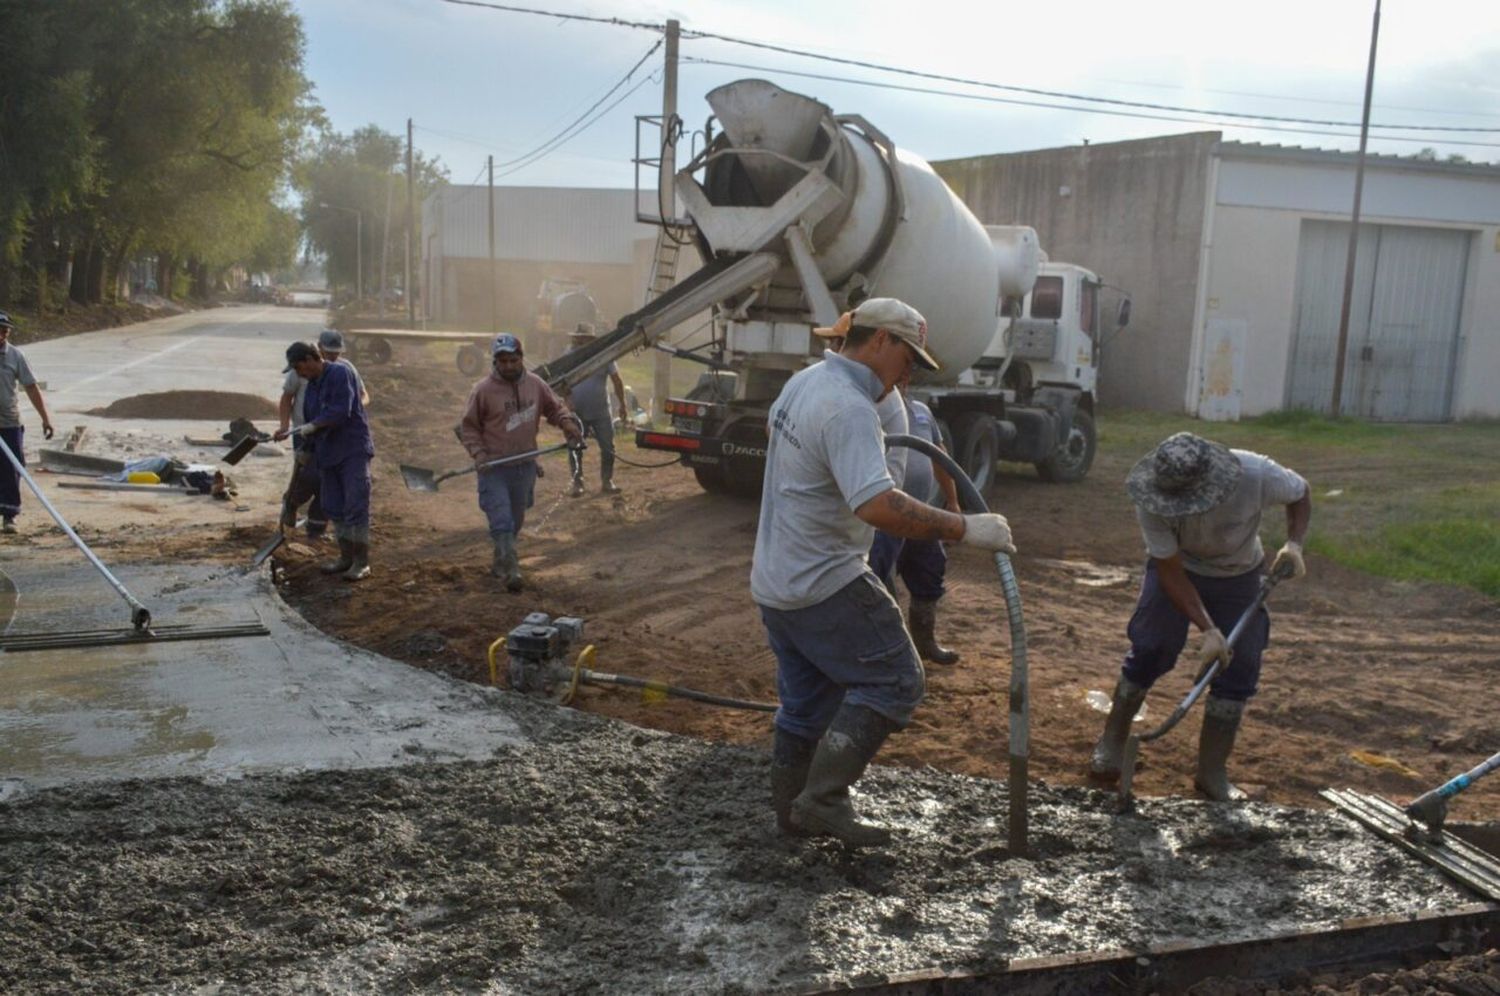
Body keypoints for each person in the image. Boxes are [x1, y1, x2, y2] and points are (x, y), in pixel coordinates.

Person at [752, 298, 1016, 846]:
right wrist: (965, 528)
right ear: (880, 343)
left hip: (777, 582)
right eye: (909, 357)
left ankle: (792, 817)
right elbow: (875, 504)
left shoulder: (805, 383)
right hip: (824, 578)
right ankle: (823, 801)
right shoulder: (849, 407)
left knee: (806, 705)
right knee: (896, 679)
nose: (910, 373)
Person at [1088, 431, 1310, 801]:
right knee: (1152, 646)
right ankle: (1112, 740)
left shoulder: (1256, 474)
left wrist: (1294, 544)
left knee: (1241, 664)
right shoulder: (1151, 497)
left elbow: (1301, 493)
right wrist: (1208, 629)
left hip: (1239, 574)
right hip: (1180, 569)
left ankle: (1211, 771)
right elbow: (1170, 571)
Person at [459, 333, 582, 592]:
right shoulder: (482, 391)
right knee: (501, 517)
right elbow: (468, 428)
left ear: (521, 359)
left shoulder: (536, 385)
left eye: (513, 360)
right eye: (502, 361)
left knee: (516, 518)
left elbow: (554, 407)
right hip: (494, 467)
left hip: (524, 465)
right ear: (495, 362)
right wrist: (478, 454)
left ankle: (501, 559)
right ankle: (512, 570)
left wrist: (567, 422)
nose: (508, 366)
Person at [866, 372, 963, 665]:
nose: (900, 381)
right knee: (878, 586)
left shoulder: (922, 413)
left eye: (904, 376)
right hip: (885, 519)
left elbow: (940, 458)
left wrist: (953, 500)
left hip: (920, 516)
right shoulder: (871, 411)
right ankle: (890, 653)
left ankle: (925, 643)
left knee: (929, 571)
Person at [272, 341, 375, 581]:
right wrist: (303, 445)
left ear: (310, 359)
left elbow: (341, 410)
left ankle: (361, 562)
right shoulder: (313, 385)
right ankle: (345, 557)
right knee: (335, 506)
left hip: (351, 451)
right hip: (327, 453)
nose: (299, 374)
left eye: (299, 368)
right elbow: (311, 419)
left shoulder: (340, 373)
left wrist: (313, 426)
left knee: (355, 503)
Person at [0, 311, 55, 534]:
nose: (1, 334)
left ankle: (9, 515)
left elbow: (31, 387)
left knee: (13, 467)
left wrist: (45, 418)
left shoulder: (15, 356)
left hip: (9, 423)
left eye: (5, 331)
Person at [562, 323, 628, 497]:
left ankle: (607, 481)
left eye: (584, 339)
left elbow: (617, 380)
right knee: (575, 447)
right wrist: (567, 401)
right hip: (577, 411)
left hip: (601, 411)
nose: (580, 341)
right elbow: (563, 383)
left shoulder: (604, 356)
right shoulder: (569, 356)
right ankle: (578, 483)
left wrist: (622, 404)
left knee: (608, 447)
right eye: (578, 338)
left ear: (591, 340)